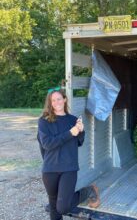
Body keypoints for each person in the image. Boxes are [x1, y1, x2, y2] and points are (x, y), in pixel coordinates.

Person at [37, 88, 100, 220]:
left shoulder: (73, 120)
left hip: (68, 168)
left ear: (64, 99)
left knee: (63, 207)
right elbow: (47, 144)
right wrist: (70, 133)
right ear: (50, 103)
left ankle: (88, 191)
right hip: (50, 169)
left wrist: (81, 131)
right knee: (54, 207)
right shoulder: (44, 121)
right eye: (53, 100)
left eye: (59, 99)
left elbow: (79, 142)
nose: (56, 102)